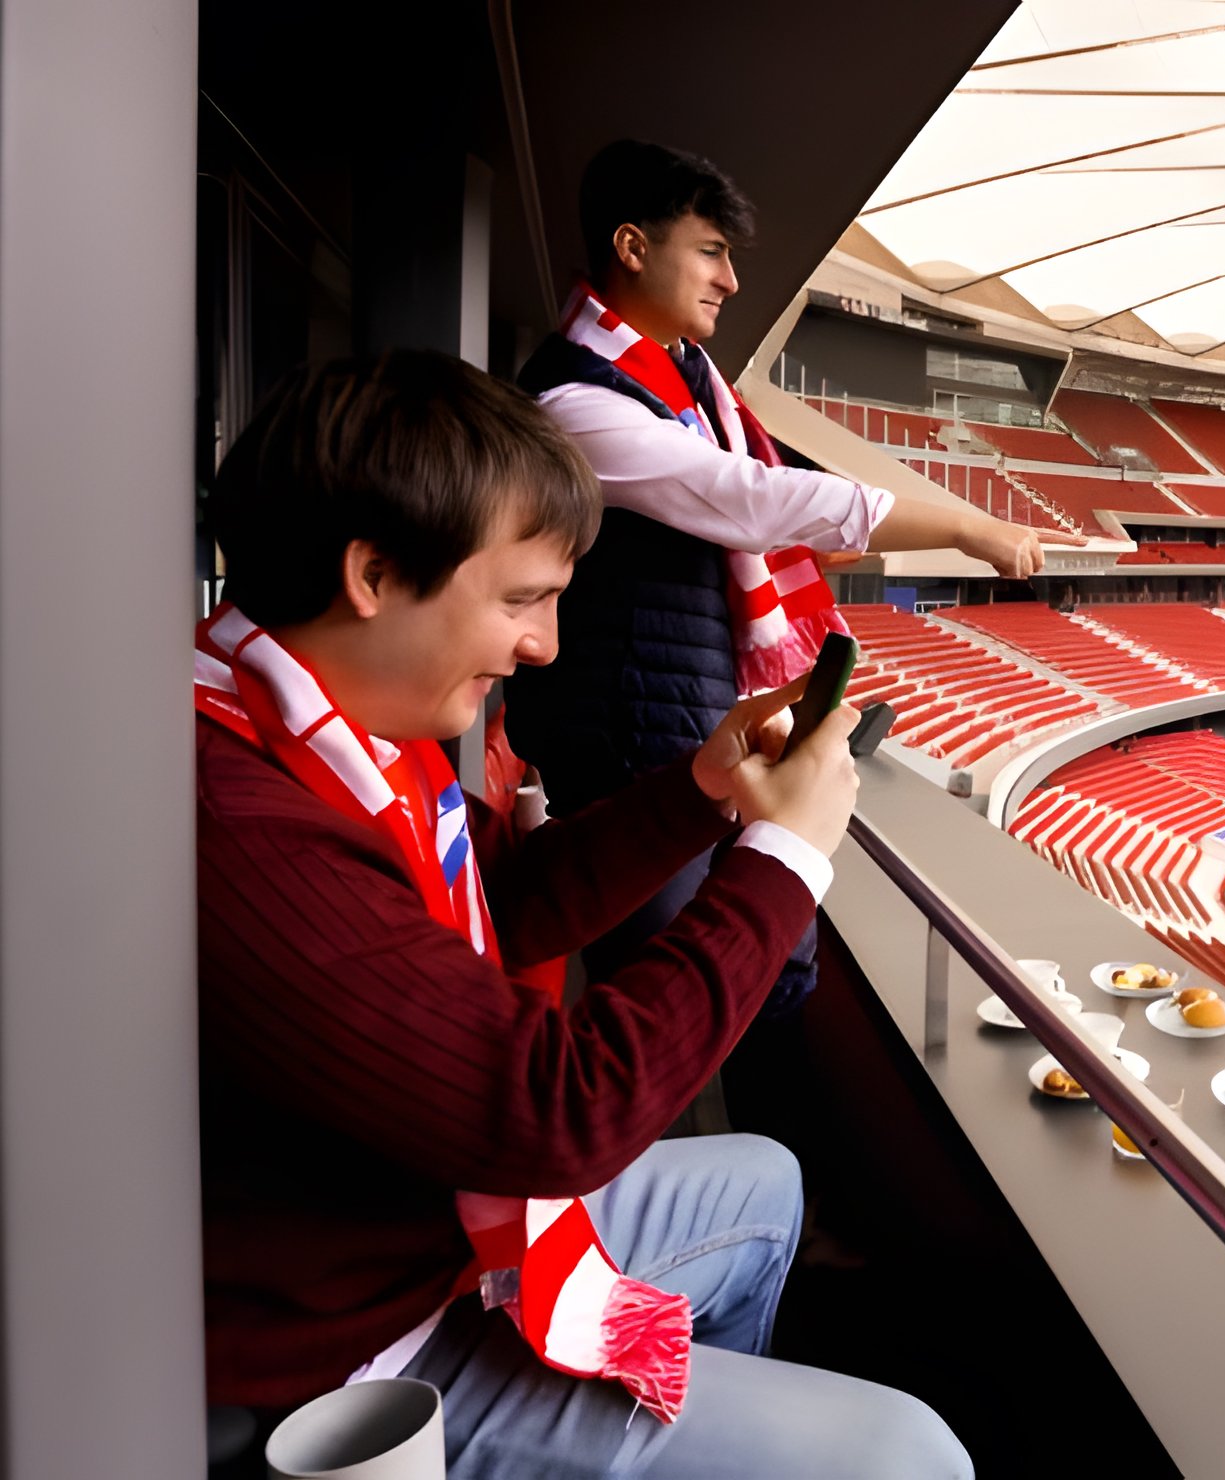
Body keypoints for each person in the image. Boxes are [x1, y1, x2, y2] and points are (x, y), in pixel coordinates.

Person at [197, 350, 970, 1477]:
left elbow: (507, 900)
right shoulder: (237, 820)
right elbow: (558, 1112)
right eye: (521, 598)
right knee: (908, 1453)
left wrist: (703, 789)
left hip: (426, 1234)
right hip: (367, 1347)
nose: (543, 645)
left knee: (765, 1183)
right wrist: (785, 858)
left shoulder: (324, 733)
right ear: (372, 574)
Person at [505, 138, 1084, 989]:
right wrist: (964, 527)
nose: (729, 280)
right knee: (689, 971)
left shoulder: (686, 389)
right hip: (630, 736)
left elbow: (765, 503)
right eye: (710, 251)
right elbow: (751, 499)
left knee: (751, 966)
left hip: (675, 719)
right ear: (632, 247)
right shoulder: (578, 403)